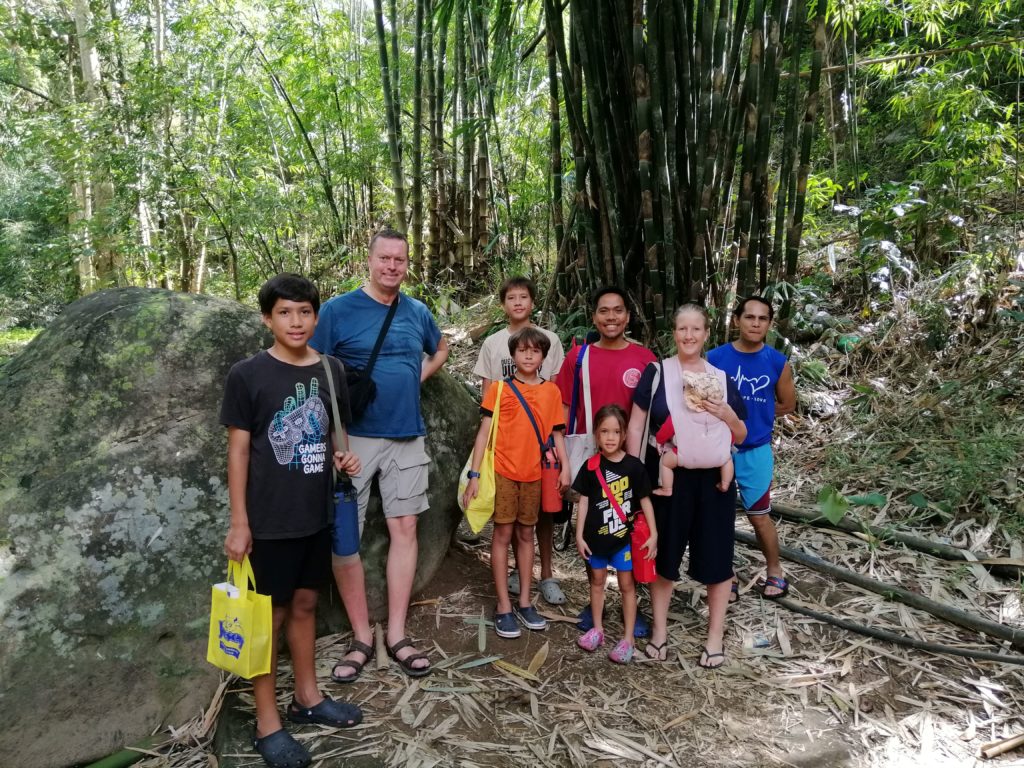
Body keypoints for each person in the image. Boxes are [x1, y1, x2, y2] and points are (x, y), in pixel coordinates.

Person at [221, 274, 364, 768]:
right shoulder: (248, 374)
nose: (295, 321)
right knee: (270, 618)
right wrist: (240, 522)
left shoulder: (330, 369)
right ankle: (267, 723)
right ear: (268, 318)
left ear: (316, 317)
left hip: (315, 514)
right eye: (284, 312)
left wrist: (343, 457)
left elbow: (334, 435)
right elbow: (239, 451)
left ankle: (308, 698)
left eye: (304, 312)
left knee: (305, 605)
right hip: (269, 520)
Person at [311, 228, 449, 680]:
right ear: (369, 260)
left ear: (407, 264)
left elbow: (440, 348)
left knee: (405, 528)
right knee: (345, 535)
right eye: (385, 258)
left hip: (407, 434)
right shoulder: (338, 310)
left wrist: (416, 377)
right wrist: (333, 439)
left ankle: (397, 633)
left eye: (400, 260)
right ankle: (360, 637)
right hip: (354, 438)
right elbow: (314, 365)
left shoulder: (417, 311)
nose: (392, 266)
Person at [626, 303, 747, 669]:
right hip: (669, 478)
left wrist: (726, 413)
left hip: (714, 483)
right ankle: (660, 631)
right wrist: (634, 476)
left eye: (696, 329)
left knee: (718, 558)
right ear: (674, 333)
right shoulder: (657, 373)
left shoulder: (720, 378)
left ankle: (714, 636)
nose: (689, 335)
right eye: (682, 329)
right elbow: (636, 426)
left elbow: (741, 434)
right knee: (664, 555)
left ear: (707, 334)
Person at [554, 286, 656, 635]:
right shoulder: (578, 357)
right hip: (590, 458)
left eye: (617, 310)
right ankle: (595, 596)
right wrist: (562, 456)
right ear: (594, 316)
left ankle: (632, 602)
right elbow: (564, 409)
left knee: (631, 528)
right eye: (603, 310)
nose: (611, 317)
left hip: (631, 461)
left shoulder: (645, 359)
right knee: (594, 527)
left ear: (628, 316)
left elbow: (657, 411)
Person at [463, 328, 570, 638]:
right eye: (522, 350)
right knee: (502, 534)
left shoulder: (551, 392)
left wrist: (565, 468)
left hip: (534, 474)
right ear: (512, 355)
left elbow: (557, 434)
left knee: (526, 534)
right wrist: (474, 475)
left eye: (535, 351)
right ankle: (503, 605)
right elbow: (484, 433)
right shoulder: (499, 389)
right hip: (504, 472)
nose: (528, 356)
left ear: (543, 356)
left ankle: (524, 601)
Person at [472, 276, 566, 606]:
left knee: (544, 511)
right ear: (503, 305)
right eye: (511, 298)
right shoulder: (493, 343)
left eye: (523, 297)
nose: (517, 303)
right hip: (505, 444)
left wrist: (557, 452)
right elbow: (488, 395)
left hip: (540, 445)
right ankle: (514, 573)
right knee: (508, 521)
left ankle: (547, 573)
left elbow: (552, 392)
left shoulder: (550, 340)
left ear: (532, 302)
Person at [707, 295, 796, 600]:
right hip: (719, 450)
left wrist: (760, 415)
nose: (755, 323)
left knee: (759, 516)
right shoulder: (715, 358)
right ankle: (725, 575)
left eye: (762, 318)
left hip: (756, 451)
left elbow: (788, 403)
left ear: (769, 324)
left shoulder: (777, 362)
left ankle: (775, 571)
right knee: (719, 516)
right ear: (737, 320)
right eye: (749, 317)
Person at [573, 404, 657, 664]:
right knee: (597, 583)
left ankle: (628, 638)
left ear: (624, 435)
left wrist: (653, 533)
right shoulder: (590, 467)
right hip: (595, 540)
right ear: (596, 435)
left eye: (616, 432)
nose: (610, 437)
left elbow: (645, 500)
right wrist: (579, 535)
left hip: (623, 541)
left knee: (627, 586)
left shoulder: (634, 467)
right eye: (604, 431)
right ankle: (597, 629)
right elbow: (584, 501)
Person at [653, 372, 735, 495]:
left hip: (685, 456)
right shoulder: (721, 415)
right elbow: (729, 436)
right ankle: (725, 483)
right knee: (727, 459)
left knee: (665, 463)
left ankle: (667, 489)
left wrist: (660, 441)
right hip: (717, 456)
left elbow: (666, 431)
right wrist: (727, 445)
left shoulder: (680, 413)